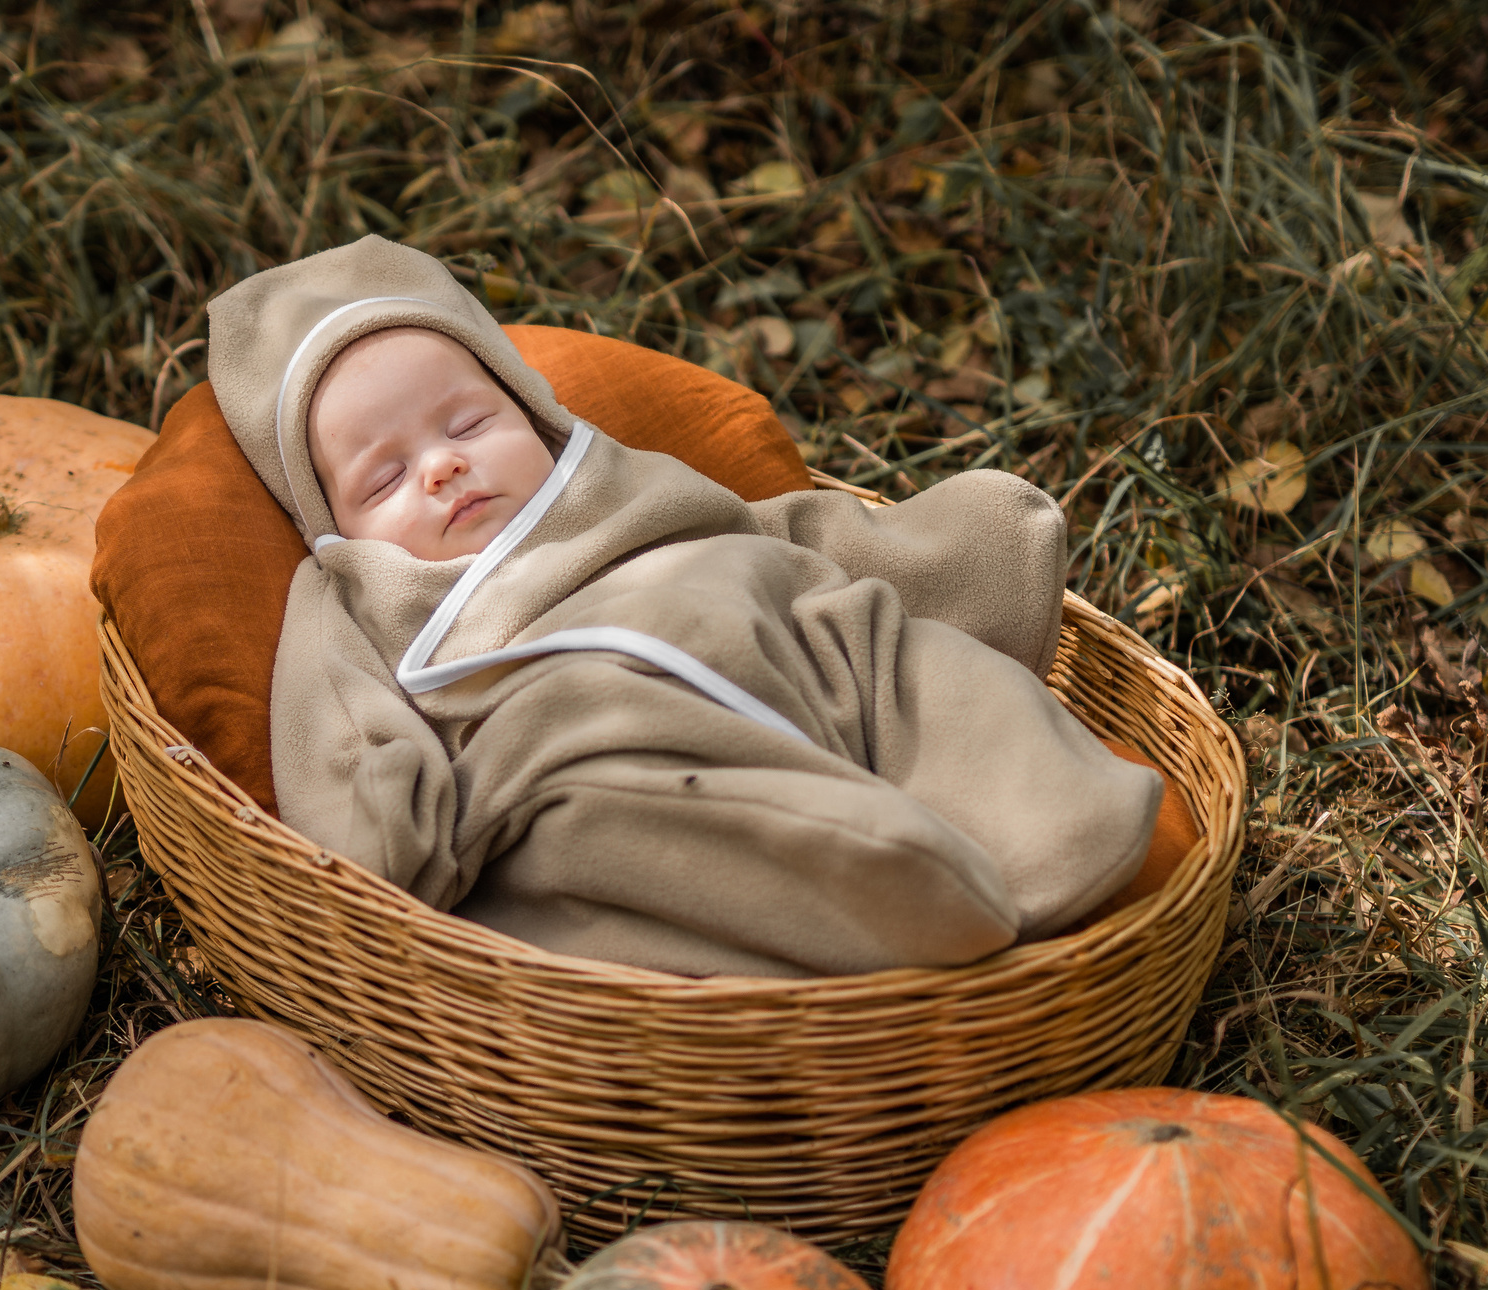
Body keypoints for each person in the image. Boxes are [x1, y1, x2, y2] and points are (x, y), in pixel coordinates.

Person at [205, 235, 1163, 978]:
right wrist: (383, 821)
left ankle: (1058, 832)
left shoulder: (616, 475)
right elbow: (338, 731)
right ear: (332, 525)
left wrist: (949, 550)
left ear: (530, 410)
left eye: (468, 423)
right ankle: (852, 886)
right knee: (617, 829)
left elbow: (775, 528)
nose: (445, 464)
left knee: (922, 670)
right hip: (590, 746)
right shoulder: (354, 600)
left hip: (809, 654)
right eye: (385, 478)